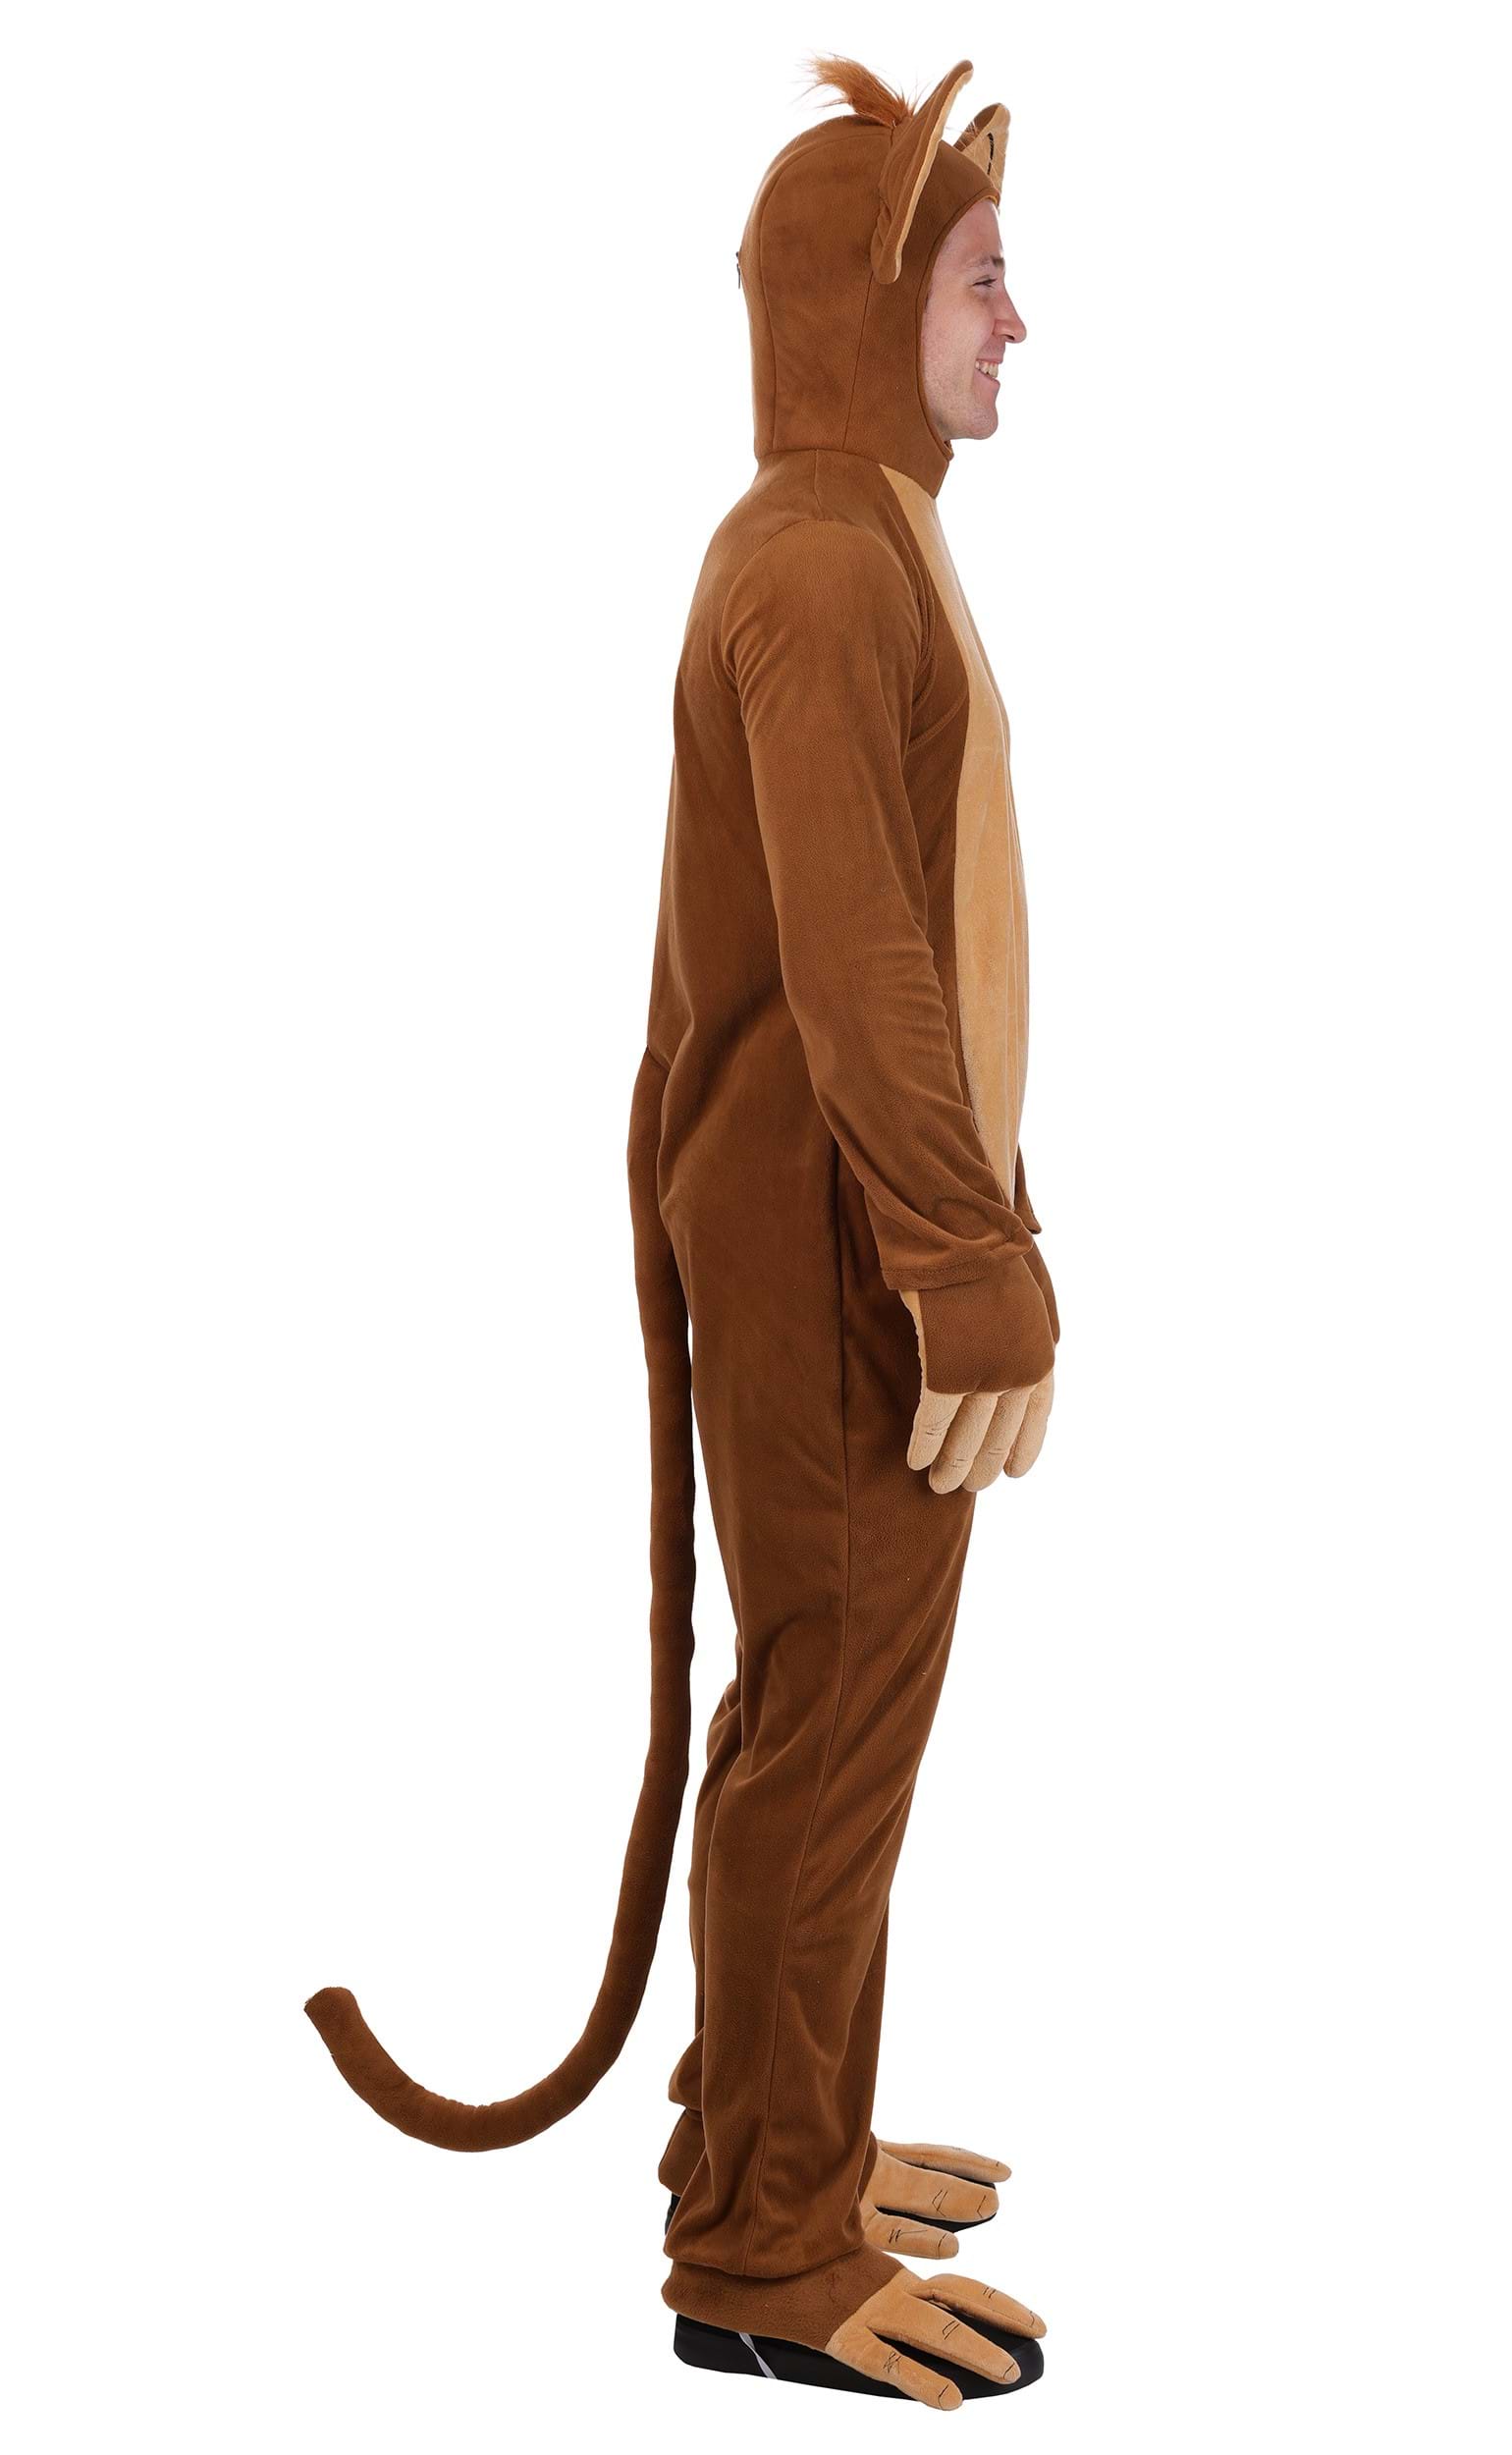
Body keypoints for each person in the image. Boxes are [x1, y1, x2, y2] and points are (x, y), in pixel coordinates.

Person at [303, 51, 1056, 2414]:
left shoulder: (850, 535)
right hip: (838, 1252)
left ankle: (774, 2129)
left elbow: (901, 940)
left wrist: (970, 1221)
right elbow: (855, 956)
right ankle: (758, 2246)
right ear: (863, 301)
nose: (1018, 322)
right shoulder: (819, 562)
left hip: (844, 1233)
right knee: (825, 1719)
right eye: (979, 275)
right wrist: (965, 1256)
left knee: (828, 1710)